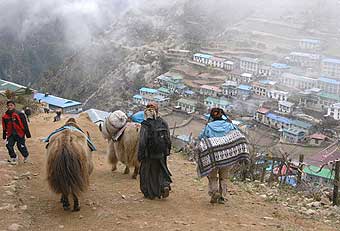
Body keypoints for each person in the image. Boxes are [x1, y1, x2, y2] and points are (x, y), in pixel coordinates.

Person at [198, 107, 237, 204]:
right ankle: (222, 196)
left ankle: (214, 192)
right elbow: (236, 135)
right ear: (222, 115)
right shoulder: (229, 125)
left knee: (212, 176)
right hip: (226, 155)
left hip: (213, 156)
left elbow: (201, 137)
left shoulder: (209, 126)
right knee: (224, 177)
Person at [138, 102, 172, 199]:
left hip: (149, 154)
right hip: (161, 153)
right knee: (160, 171)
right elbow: (168, 139)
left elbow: (142, 141)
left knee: (147, 173)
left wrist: (140, 155)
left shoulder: (145, 124)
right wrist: (167, 151)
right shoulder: (163, 122)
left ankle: (150, 193)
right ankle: (164, 186)